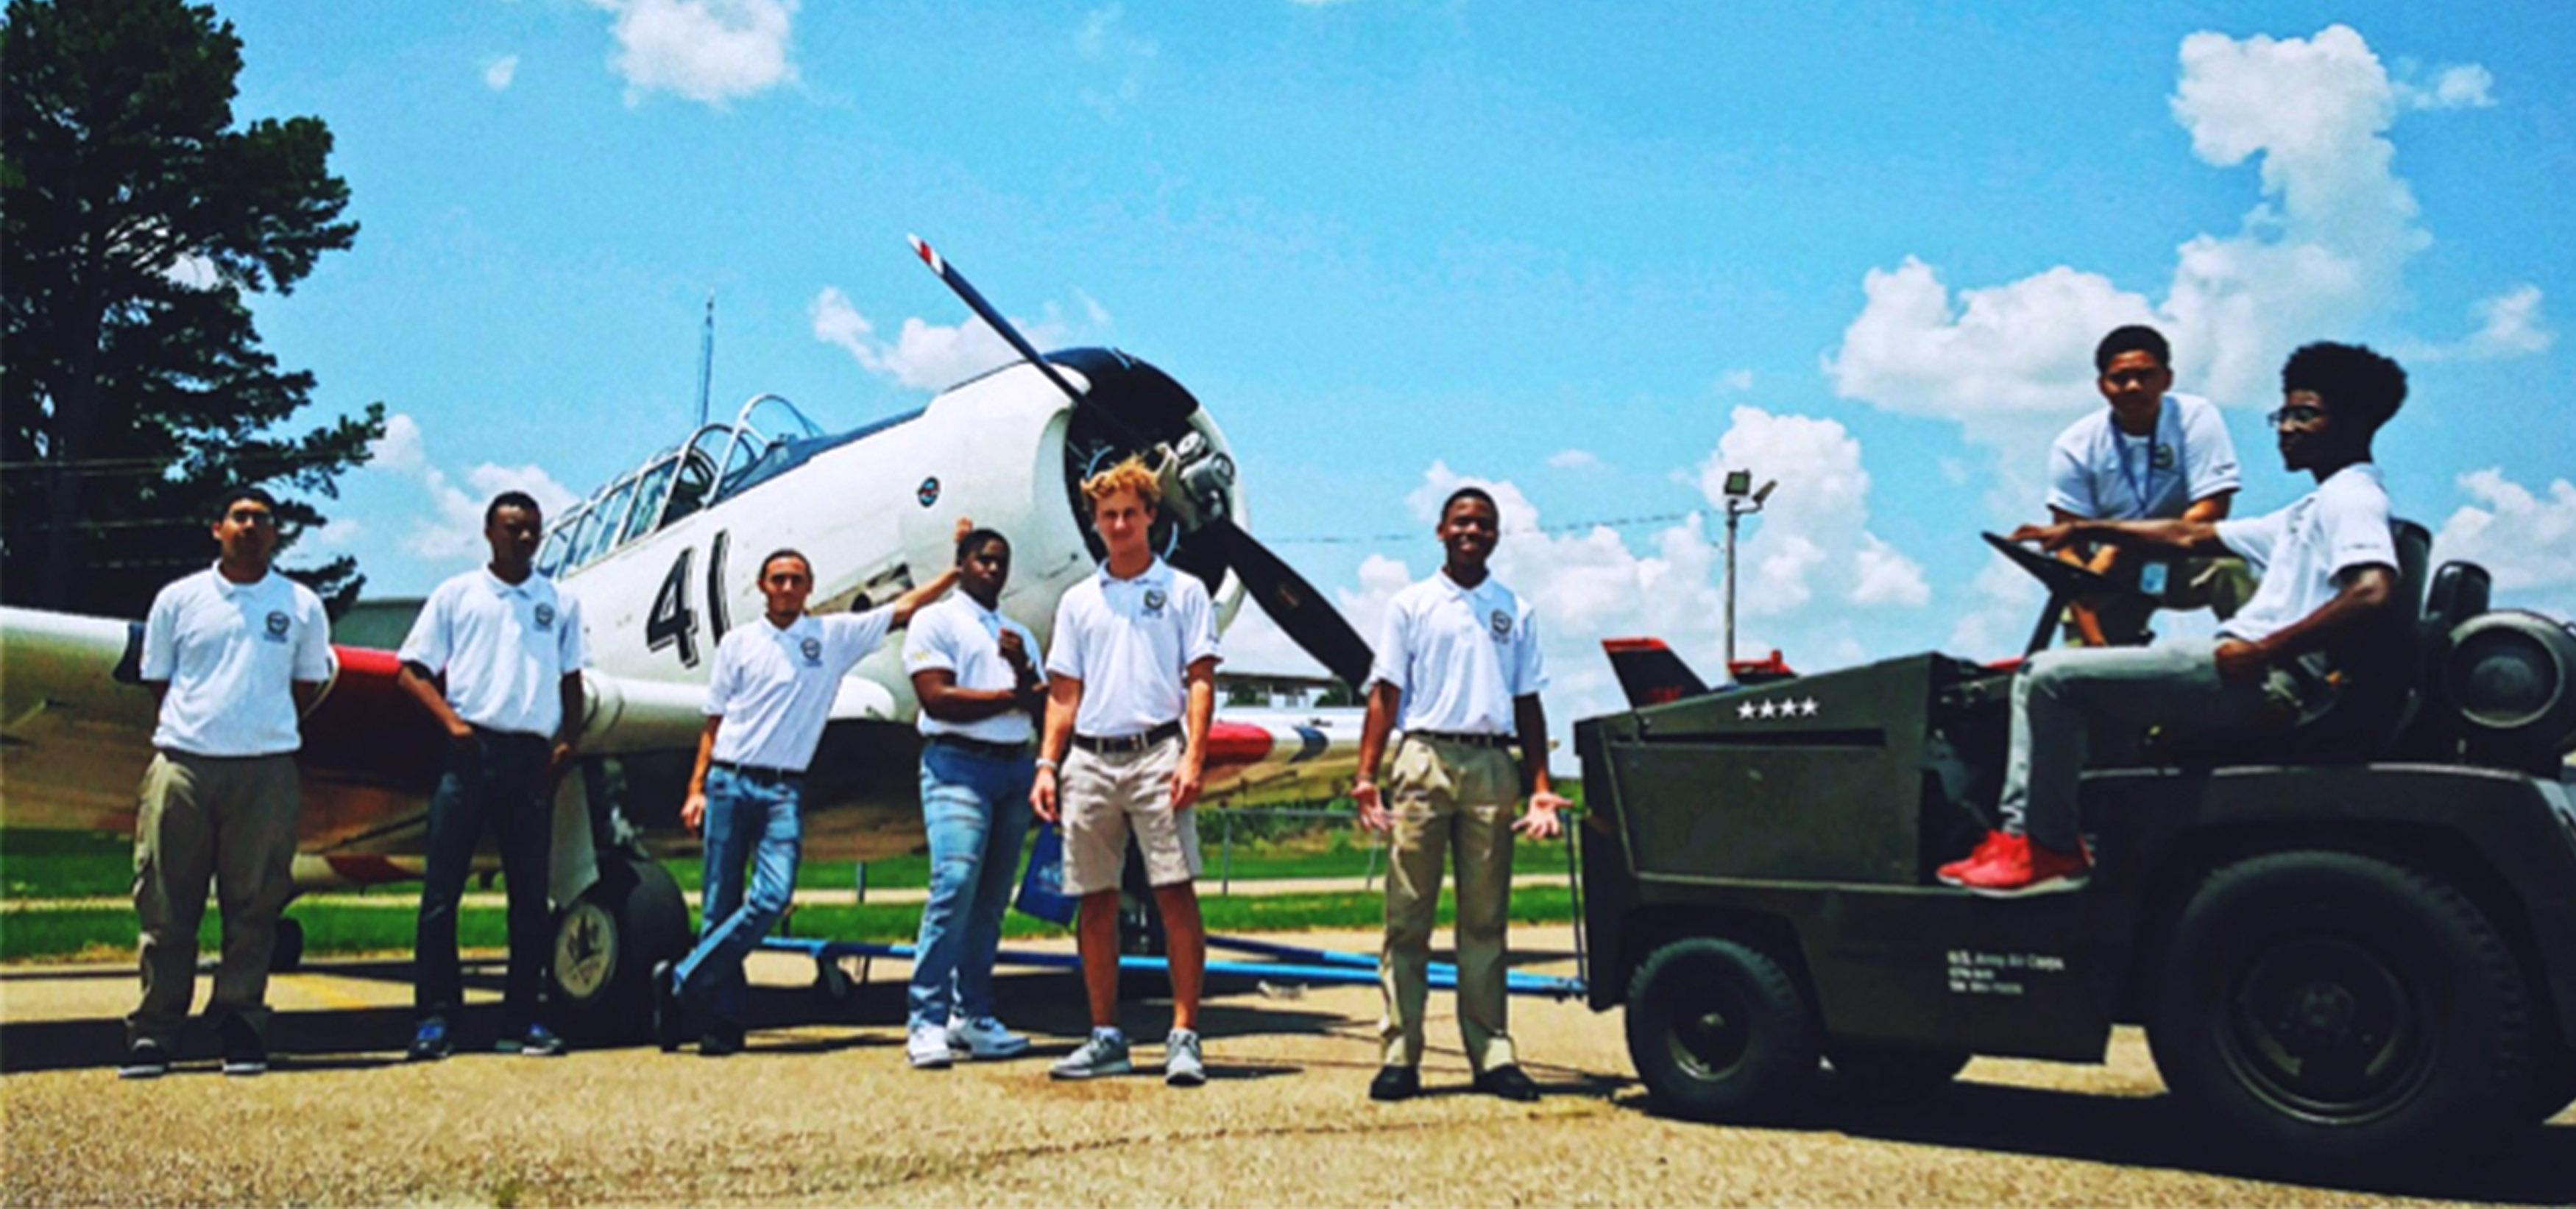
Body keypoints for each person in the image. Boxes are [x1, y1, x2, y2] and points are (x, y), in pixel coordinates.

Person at [1949, 342, 2410, 896]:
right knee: (2076, 681)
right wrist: (2085, 530)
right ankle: (2078, 831)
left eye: (2303, 414)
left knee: (2045, 678)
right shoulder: (2309, 507)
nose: (2285, 428)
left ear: (2354, 422)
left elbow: (2374, 591)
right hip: (2254, 668)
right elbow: (2190, 535)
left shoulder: (2351, 497)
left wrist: (2266, 652)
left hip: (2261, 678)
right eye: (2282, 414)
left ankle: (2040, 845)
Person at [657, 536, 964, 1055]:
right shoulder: (738, 643)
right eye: (779, 579)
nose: (788, 588)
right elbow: (714, 722)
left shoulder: (832, 636)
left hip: (783, 789)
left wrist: (954, 571)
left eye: (797, 580)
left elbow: (905, 608)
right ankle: (721, 1023)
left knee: (772, 898)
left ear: (809, 588)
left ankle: (683, 981)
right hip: (729, 780)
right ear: (762, 588)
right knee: (718, 905)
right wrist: (696, 788)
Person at [1351, 486, 1567, 1102]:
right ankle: (1400, 1052)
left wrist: (1540, 785)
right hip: (1424, 758)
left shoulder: (1514, 611)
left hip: (1493, 765)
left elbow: (1528, 701)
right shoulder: (1412, 605)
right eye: (1462, 522)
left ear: (1496, 536)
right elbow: (1385, 692)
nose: (1473, 532)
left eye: (1485, 525)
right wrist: (1368, 775)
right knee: (1408, 914)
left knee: (1484, 919)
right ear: (1441, 531)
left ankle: (1492, 1052)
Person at [119, 487, 335, 1079]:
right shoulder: (178, 599)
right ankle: (155, 1032)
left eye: (262, 520)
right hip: (184, 765)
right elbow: (159, 680)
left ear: (275, 534)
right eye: (239, 517)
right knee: (166, 904)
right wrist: (202, 729)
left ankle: (241, 1024)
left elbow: (307, 684)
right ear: (217, 528)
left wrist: (256, 728)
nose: (250, 527)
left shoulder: (301, 606)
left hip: (266, 770)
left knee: (255, 906)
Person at [1032, 455, 1220, 1087]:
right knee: (1095, 900)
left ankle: (1184, 1035)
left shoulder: (1185, 592)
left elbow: (1200, 679)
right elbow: (1063, 692)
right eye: (1107, 515)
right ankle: (1105, 1035)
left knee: (1174, 893)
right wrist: (1047, 765)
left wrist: (1194, 755)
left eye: (1129, 514)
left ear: (1150, 517)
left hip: (1158, 754)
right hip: (1089, 758)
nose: (1118, 525)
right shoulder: (1079, 602)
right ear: (1096, 522)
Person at [397, 490, 586, 1060]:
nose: (523, 538)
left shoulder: (560, 601)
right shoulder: (457, 594)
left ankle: (522, 1019)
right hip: (469, 755)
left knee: (530, 899)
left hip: (530, 760)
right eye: (511, 528)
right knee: (440, 895)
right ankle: (435, 1020)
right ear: (488, 531)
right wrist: (453, 727)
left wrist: (565, 746)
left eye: (531, 529)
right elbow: (411, 671)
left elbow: (572, 679)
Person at [900, 527, 1047, 1068]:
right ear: (961, 563)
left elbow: (1042, 706)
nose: (993, 569)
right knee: (954, 884)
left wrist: (1025, 673)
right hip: (956, 765)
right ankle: (926, 1020)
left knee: (990, 899)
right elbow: (938, 699)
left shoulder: (1018, 634)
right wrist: (1013, 695)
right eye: (983, 559)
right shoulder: (935, 620)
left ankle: (974, 1015)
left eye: (1001, 563)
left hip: (1013, 768)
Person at [2045, 325, 2251, 646]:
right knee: (2077, 626)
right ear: (2102, 385)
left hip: (2180, 551)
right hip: (2113, 570)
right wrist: (2085, 600)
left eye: (2145, 375)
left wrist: (2123, 543)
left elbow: (2213, 508)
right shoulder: (2075, 445)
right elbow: (2067, 543)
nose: (2133, 387)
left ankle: (2271, 666)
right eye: (2120, 379)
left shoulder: (2195, 417)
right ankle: (2089, 681)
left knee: (2231, 567)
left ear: (2166, 379)